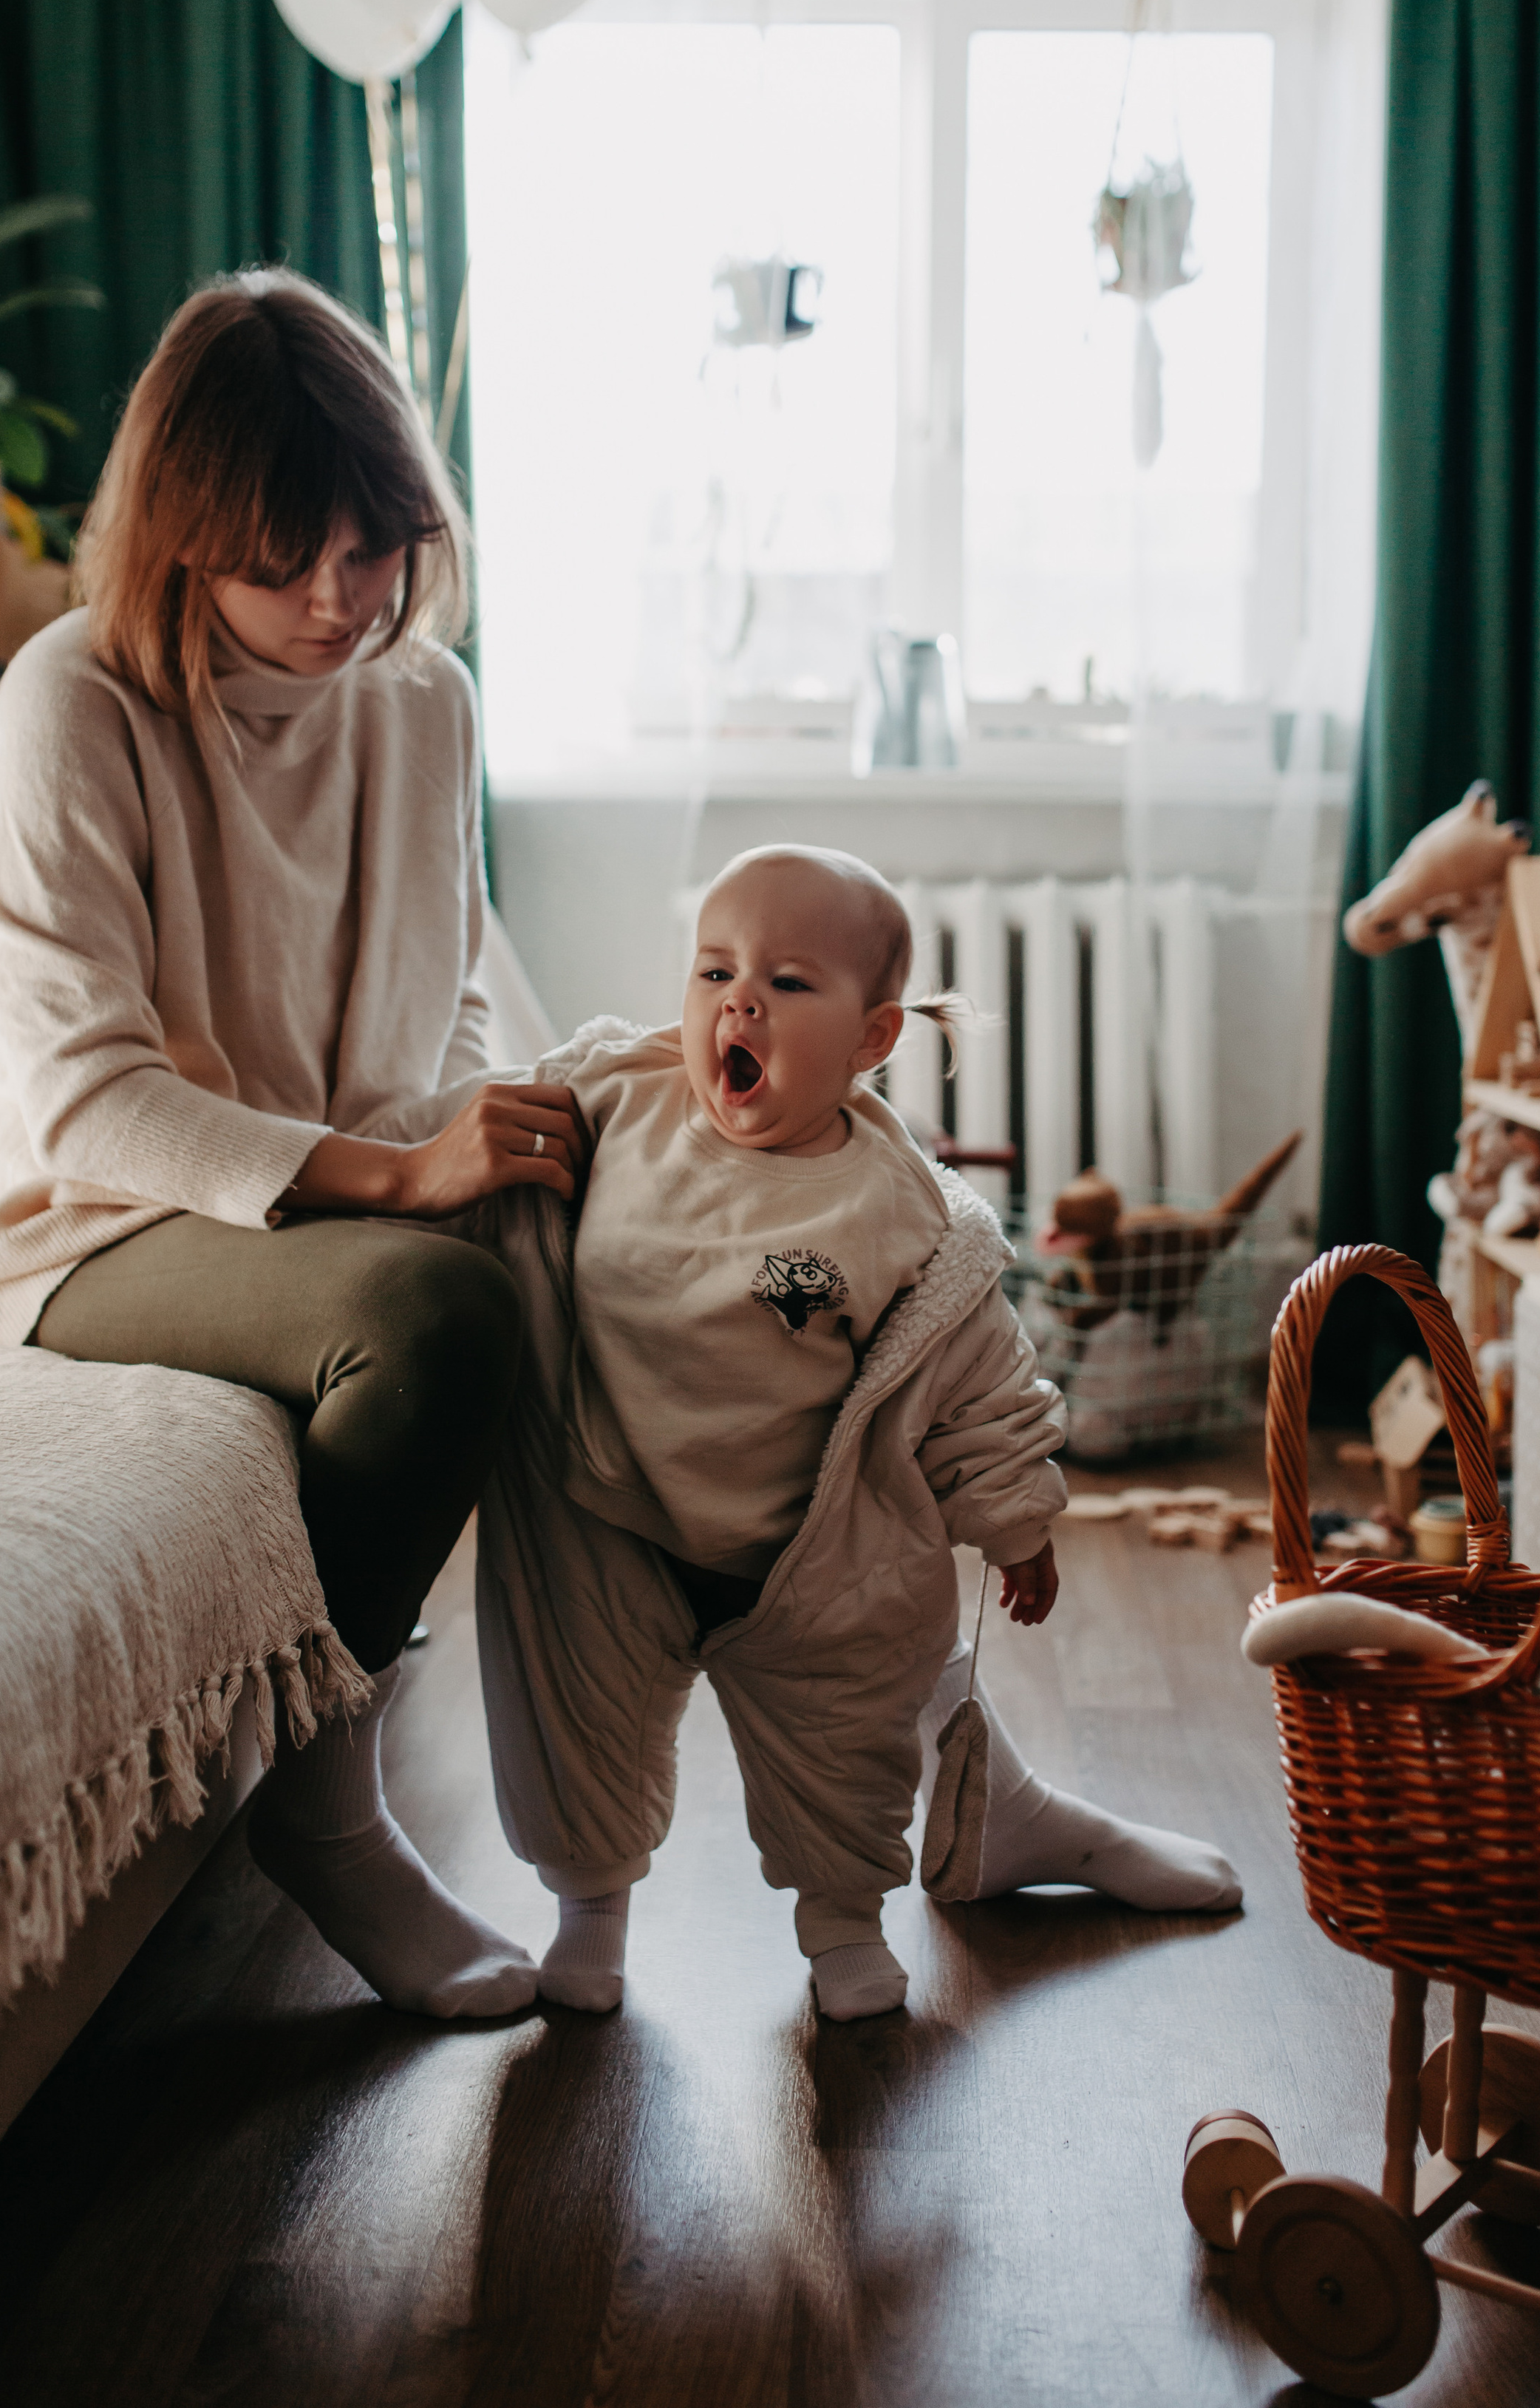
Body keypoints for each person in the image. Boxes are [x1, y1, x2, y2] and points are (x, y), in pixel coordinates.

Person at [0, 271, 583, 2021]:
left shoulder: (421, 699)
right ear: (183, 542)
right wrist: (404, 1183)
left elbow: (448, 996)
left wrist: (479, 1140)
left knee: (608, 1262)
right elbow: (86, 1098)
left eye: (372, 551)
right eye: (283, 563)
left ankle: (851, 1758)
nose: (337, 602)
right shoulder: (71, 701)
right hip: (90, 1219)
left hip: (318, 1195)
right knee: (436, 1321)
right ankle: (326, 1816)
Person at [471, 846, 1241, 2025]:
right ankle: (589, 1917)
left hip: (807, 1549)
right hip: (605, 1515)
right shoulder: (616, 1101)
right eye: (715, 972)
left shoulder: (892, 1203)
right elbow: (470, 1146)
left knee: (842, 1748)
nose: (738, 1003)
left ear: (872, 1040)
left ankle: (843, 1923)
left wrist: (1016, 1517)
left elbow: (972, 1364)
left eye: (787, 984)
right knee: (574, 1732)